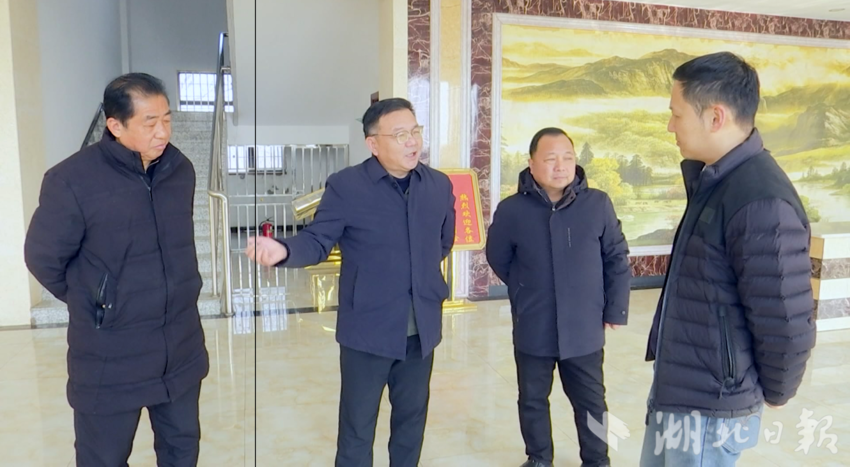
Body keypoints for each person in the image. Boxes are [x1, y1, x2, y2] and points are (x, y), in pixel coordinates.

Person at [246, 97, 456, 466]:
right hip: (368, 330)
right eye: (400, 134)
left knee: (411, 423)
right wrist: (284, 249)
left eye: (415, 131)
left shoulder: (438, 185)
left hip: (421, 328)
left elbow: (442, 242)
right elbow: (317, 240)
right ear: (373, 144)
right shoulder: (347, 186)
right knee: (357, 428)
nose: (412, 141)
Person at [640, 52, 817, 466]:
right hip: (685, 387)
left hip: (711, 406)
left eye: (676, 114)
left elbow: (785, 318)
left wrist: (779, 389)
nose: (670, 126)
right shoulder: (718, 180)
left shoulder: (761, 200)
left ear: (715, 117)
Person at [24, 73, 209, 466]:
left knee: (182, 451)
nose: (163, 132)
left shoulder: (180, 169)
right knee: (103, 459)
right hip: (110, 357)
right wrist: (99, 301)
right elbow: (43, 257)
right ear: (115, 125)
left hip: (179, 349)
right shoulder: (71, 180)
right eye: (150, 122)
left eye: (167, 119)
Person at [486, 127, 631, 467]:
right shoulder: (512, 210)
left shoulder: (597, 204)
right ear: (532, 164)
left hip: (583, 324)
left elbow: (616, 257)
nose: (561, 166)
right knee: (532, 399)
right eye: (551, 159)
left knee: (591, 401)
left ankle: (597, 460)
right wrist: (525, 288)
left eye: (568, 157)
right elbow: (498, 257)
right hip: (534, 322)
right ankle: (539, 458)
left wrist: (615, 308)